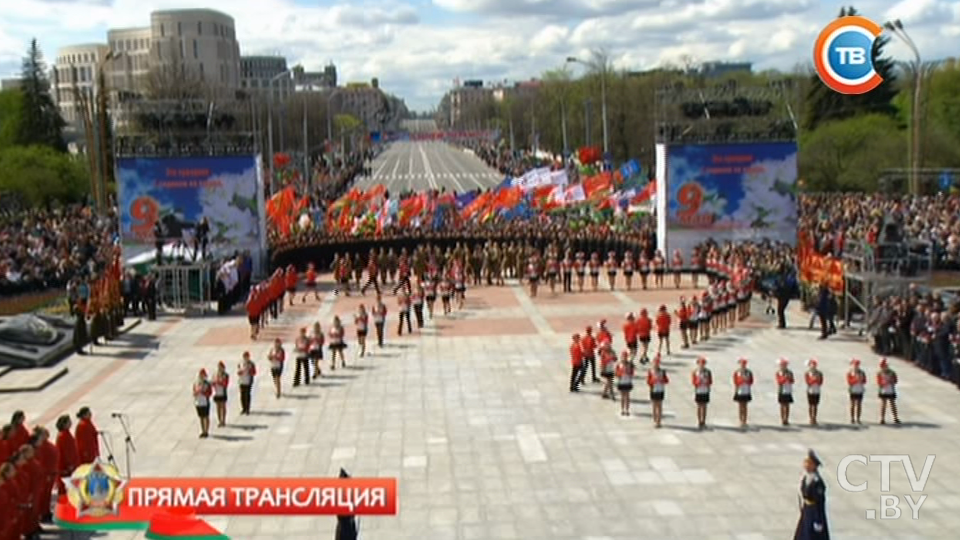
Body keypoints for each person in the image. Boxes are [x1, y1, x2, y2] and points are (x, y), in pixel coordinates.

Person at [794, 449, 830, 540]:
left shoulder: (817, 482)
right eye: (806, 463)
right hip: (807, 510)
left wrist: (818, 520)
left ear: (814, 466)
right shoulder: (806, 477)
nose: (806, 465)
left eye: (809, 463)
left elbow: (820, 502)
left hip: (814, 512)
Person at [33, 427, 58, 523]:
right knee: (43, 496)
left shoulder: (45, 445)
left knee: (47, 495)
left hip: (50, 473)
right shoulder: (40, 448)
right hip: (46, 475)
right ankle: (42, 513)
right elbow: (42, 462)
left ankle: (46, 511)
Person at [55, 415, 78, 496]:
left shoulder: (66, 434)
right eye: (69, 421)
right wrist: (70, 465)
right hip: (65, 466)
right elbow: (66, 451)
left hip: (69, 465)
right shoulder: (63, 436)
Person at [646, 354, 669, 427]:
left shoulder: (662, 371)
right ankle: (655, 419)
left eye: (657, 363)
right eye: (655, 363)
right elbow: (648, 382)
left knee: (659, 406)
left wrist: (662, 380)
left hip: (660, 390)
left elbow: (666, 380)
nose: (656, 364)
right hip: (653, 390)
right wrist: (653, 381)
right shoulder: (651, 371)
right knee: (654, 406)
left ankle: (659, 421)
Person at [877, 358, 901, 424]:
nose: (884, 367)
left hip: (890, 389)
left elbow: (895, 380)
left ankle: (895, 417)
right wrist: (883, 383)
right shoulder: (879, 373)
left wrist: (891, 381)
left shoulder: (892, 372)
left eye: (884, 366)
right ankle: (882, 418)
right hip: (883, 390)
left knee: (892, 404)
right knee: (883, 405)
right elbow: (878, 382)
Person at [733, 358, 754, 428]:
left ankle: (744, 420)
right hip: (739, 390)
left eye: (744, 364)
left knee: (745, 406)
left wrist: (746, 380)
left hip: (746, 390)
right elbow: (735, 381)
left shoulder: (749, 372)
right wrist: (742, 380)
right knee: (740, 406)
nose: (743, 365)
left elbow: (751, 381)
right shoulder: (737, 372)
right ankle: (740, 419)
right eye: (741, 364)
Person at [692, 357, 712, 429]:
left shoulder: (708, 372)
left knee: (704, 406)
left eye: (703, 363)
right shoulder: (695, 372)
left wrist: (707, 383)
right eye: (700, 363)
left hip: (705, 390)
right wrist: (697, 382)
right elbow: (693, 381)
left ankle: (703, 420)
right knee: (699, 406)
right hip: (698, 390)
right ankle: (699, 420)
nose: (701, 365)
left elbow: (710, 381)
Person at [193, 369, 213, 438]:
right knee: (201, 417)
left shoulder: (207, 384)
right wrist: (196, 393)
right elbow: (194, 392)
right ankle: (202, 430)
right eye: (200, 375)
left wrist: (203, 392)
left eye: (203, 375)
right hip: (198, 402)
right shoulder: (196, 383)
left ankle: (206, 431)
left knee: (206, 416)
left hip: (205, 402)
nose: (201, 376)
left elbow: (210, 393)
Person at [615, 351, 635, 416]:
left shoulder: (630, 364)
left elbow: (632, 373)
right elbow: (616, 373)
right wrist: (620, 373)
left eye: (625, 357)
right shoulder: (619, 364)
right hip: (621, 381)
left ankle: (627, 409)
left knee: (627, 396)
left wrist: (628, 371)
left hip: (628, 381)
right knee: (622, 396)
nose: (624, 358)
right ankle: (622, 409)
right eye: (623, 357)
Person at [847, 358, 867, 424]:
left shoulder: (862, 372)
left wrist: (861, 380)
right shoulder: (850, 372)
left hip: (860, 390)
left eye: (857, 365)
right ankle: (852, 418)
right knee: (852, 404)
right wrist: (856, 379)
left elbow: (865, 381)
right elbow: (849, 382)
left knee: (859, 404)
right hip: (853, 390)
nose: (856, 366)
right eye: (855, 365)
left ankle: (858, 418)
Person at [776, 358, 795, 426]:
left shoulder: (790, 372)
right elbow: (779, 381)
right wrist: (785, 378)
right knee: (782, 405)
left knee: (787, 405)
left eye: (784, 365)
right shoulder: (778, 372)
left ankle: (786, 419)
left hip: (788, 390)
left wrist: (789, 378)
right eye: (782, 365)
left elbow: (792, 381)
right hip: (781, 390)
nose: (783, 366)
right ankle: (782, 419)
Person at [805, 359, 824, 426]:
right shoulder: (807, 373)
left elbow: (821, 382)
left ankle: (814, 418)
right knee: (810, 405)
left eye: (814, 365)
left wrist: (816, 380)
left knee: (815, 405)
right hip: (810, 390)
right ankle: (810, 418)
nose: (813, 366)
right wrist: (814, 379)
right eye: (811, 365)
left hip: (817, 390)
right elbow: (808, 382)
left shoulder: (819, 373)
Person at [212, 361, 229, 427]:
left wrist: (219, 382)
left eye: (221, 367)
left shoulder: (225, 375)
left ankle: (223, 420)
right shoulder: (215, 374)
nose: (220, 368)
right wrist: (214, 383)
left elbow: (225, 384)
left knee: (223, 407)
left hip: (223, 392)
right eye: (219, 367)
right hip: (217, 392)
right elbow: (212, 382)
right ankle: (219, 420)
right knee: (218, 407)